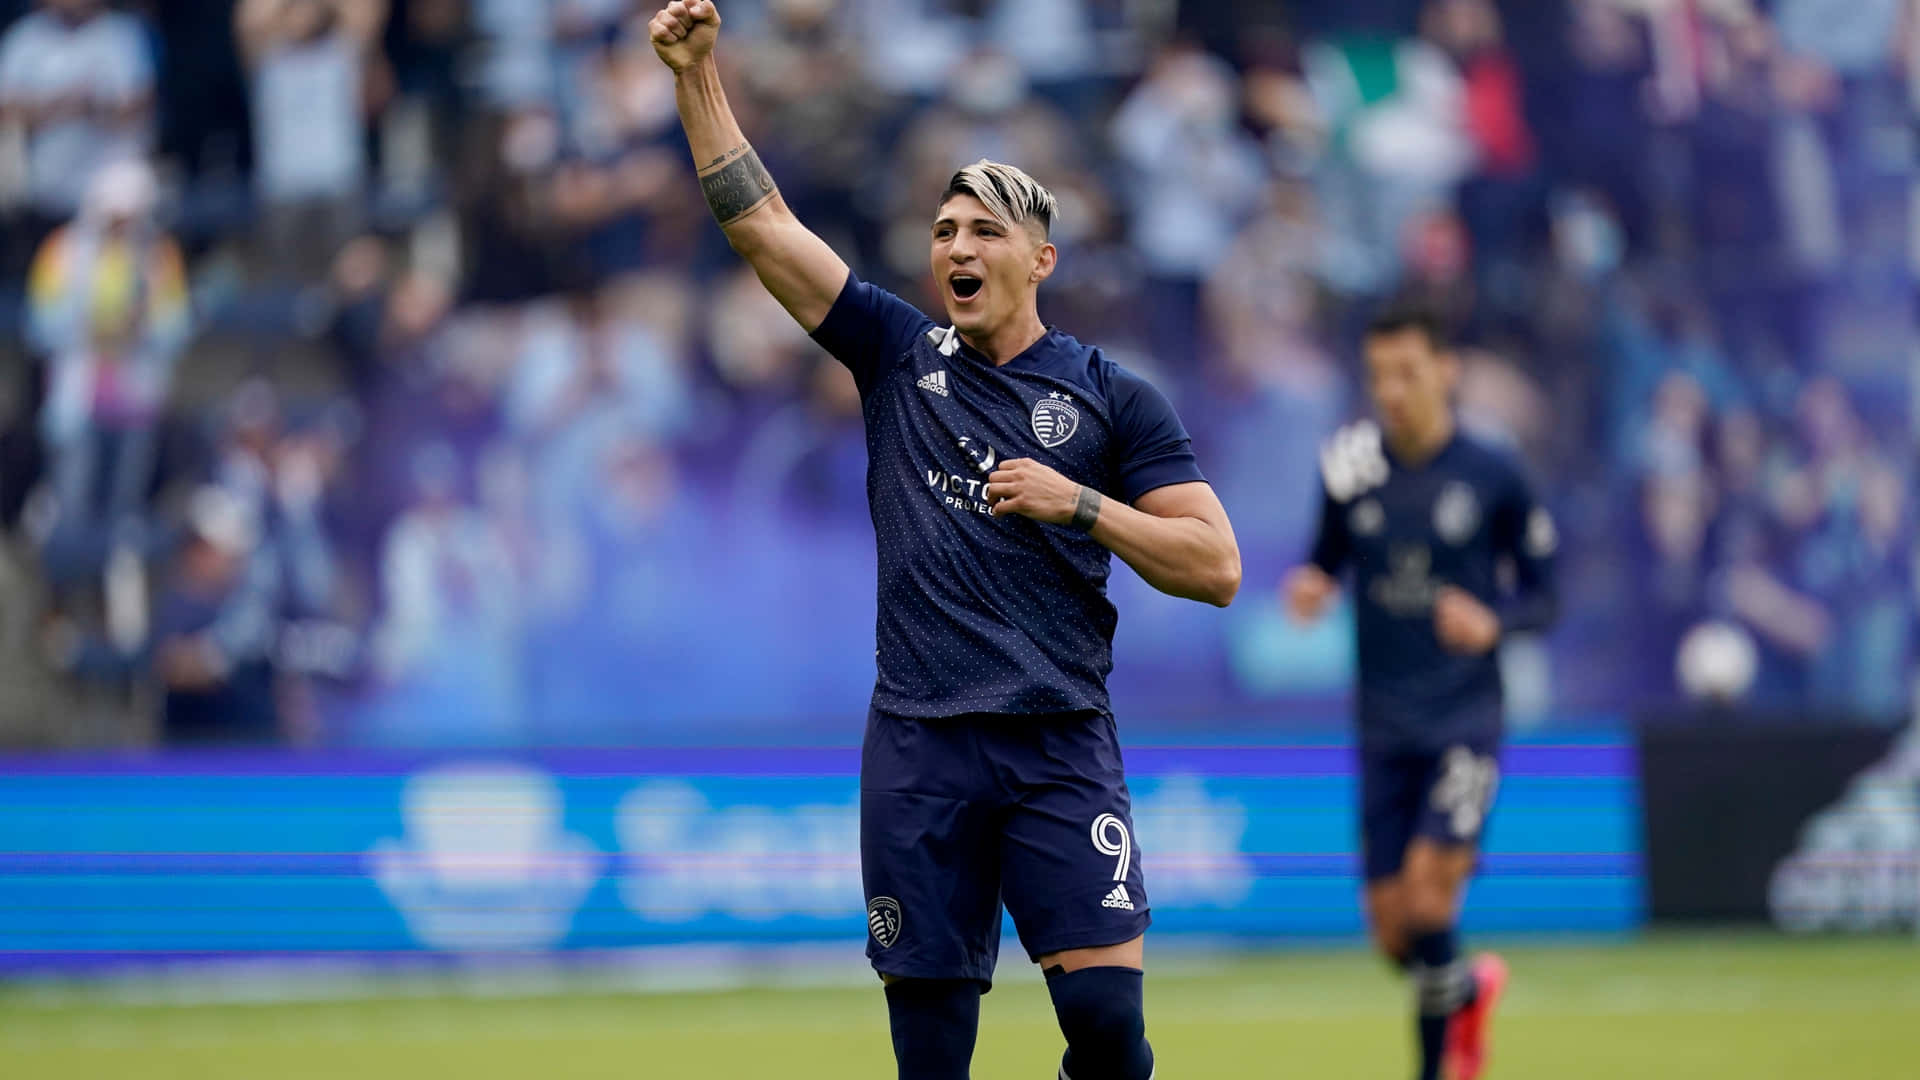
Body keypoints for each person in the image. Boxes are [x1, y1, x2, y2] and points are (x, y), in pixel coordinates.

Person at [646, 4, 1243, 1078]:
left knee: (1109, 1031)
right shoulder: (892, 353)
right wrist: (697, 77)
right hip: (921, 746)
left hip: (1059, 741)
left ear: (1041, 258)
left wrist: (1082, 506)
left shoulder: (1114, 400)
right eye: (944, 232)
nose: (957, 249)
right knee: (931, 1058)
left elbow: (1218, 568)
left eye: (983, 231)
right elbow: (760, 224)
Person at [1282, 308, 1558, 1080]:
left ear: (1446, 371)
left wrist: (1492, 622)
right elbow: (1325, 558)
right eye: (1379, 376)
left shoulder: (1493, 473)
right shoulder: (1349, 464)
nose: (1391, 392)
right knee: (1394, 932)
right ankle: (1468, 988)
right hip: (1381, 721)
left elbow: (1547, 595)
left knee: (1433, 902)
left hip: (1466, 714)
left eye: (1407, 373)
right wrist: (1311, 586)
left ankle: (1439, 1069)